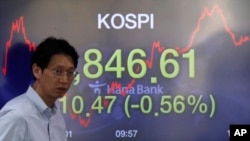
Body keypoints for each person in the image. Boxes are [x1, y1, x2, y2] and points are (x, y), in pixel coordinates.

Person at [0, 37, 79, 141]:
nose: (65, 80)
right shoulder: (17, 116)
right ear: (37, 71)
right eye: (58, 71)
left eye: (70, 73)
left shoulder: (56, 116)